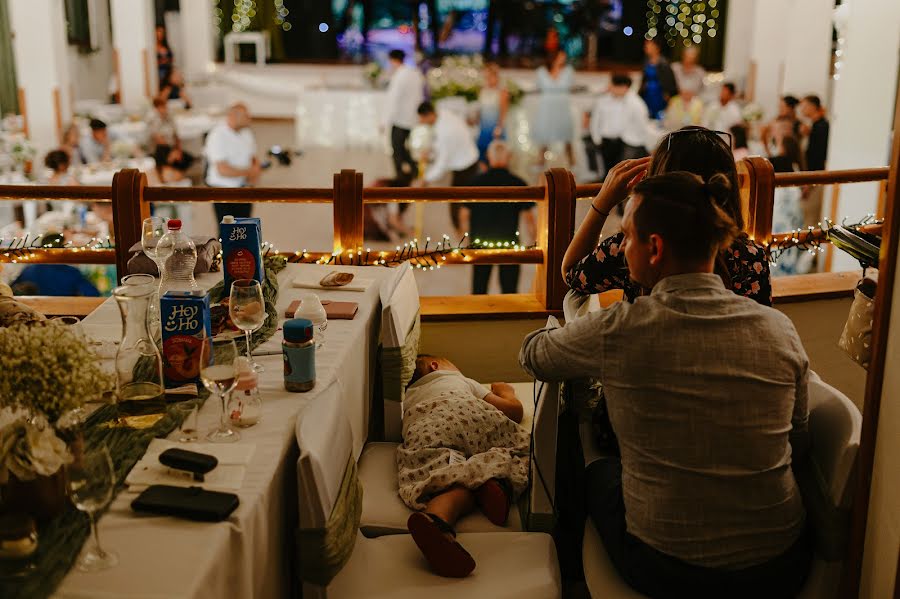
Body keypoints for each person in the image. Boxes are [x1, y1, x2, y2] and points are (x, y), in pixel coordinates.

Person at [520, 171, 812, 598]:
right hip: (781, 563)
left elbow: (533, 356)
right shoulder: (779, 328)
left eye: (626, 237)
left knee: (595, 468)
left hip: (669, 566)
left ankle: (570, 581)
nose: (620, 248)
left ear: (654, 248)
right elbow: (798, 437)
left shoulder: (623, 328)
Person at [563, 126, 772, 307]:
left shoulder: (637, 247)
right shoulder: (751, 256)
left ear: (660, 182)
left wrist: (603, 203)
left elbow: (573, 274)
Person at [400, 355, 529, 578]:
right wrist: (506, 391)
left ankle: (437, 519)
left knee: (445, 478)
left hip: (427, 426)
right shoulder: (459, 381)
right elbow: (513, 411)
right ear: (435, 366)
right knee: (519, 450)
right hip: (469, 415)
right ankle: (495, 481)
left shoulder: (407, 397)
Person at [459, 141, 536, 294]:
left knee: (479, 288)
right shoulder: (518, 183)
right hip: (509, 242)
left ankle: (479, 314)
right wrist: (532, 241)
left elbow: (464, 214)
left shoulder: (476, 182)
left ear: (489, 156)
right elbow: (529, 218)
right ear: (509, 157)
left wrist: (465, 238)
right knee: (509, 289)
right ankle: (508, 315)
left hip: (480, 242)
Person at [416, 101, 480, 230]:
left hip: (465, 166)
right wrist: (430, 153)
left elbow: (442, 164)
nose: (421, 122)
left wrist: (426, 179)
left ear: (429, 115)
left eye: (422, 118)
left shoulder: (445, 132)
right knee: (464, 203)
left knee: (457, 205)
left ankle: (462, 235)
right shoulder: (444, 114)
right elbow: (438, 145)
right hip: (468, 158)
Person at [588, 74, 650, 181]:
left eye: (612, 85)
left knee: (619, 171)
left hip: (622, 141)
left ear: (622, 87)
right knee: (606, 171)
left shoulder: (631, 102)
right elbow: (595, 122)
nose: (609, 87)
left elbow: (641, 124)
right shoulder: (602, 101)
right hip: (605, 141)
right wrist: (596, 139)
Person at [204, 103, 260, 221]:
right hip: (223, 189)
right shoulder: (217, 135)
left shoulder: (246, 133)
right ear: (233, 116)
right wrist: (249, 172)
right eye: (245, 116)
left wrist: (253, 176)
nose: (249, 118)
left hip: (244, 188)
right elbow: (222, 170)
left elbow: (253, 158)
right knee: (227, 230)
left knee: (245, 226)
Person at [769, 134, 811, 276]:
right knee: (789, 245)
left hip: (782, 210)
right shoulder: (797, 165)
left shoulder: (780, 161)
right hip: (792, 212)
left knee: (779, 245)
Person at [383, 49, 425, 185]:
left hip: (400, 118)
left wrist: (385, 120)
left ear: (393, 60)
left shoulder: (400, 76)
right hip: (411, 118)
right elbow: (420, 96)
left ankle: (400, 177)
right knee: (403, 147)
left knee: (396, 149)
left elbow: (393, 100)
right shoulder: (415, 73)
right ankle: (414, 170)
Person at [533, 50, 575, 166]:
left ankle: (572, 161)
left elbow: (571, 86)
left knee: (566, 134)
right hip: (547, 106)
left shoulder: (568, 71)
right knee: (544, 133)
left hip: (562, 106)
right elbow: (538, 87)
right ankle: (541, 161)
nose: (563, 60)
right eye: (561, 57)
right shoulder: (541, 71)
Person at [799, 95, 830, 226]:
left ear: (813, 106)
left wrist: (808, 180)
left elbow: (816, 156)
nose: (802, 110)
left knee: (810, 216)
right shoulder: (815, 126)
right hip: (812, 176)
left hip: (815, 177)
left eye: (805, 106)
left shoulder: (821, 127)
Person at [147, 97, 194, 173]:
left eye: (165, 106)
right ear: (156, 108)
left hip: (172, 147)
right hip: (160, 149)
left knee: (188, 158)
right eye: (162, 107)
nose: (165, 109)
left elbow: (176, 135)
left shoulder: (169, 117)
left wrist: (178, 149)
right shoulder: (152, 120)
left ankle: (176, 176)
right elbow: (158, 139)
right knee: (171, 159)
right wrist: (172, 152)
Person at [475, 63, 510, 164]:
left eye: (490, 77)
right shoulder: (482, 90)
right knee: (482, 151)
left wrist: (499, 127)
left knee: (496, 152)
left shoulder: (502, 92)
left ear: (496, 77)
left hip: (495, 127)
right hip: (483, 126)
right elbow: (481, 109)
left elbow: (504, 111)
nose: (488, 80)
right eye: (486, 77)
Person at [638, 38, 677, 120]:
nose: (646, 48)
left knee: (660, 116)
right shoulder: (646, 61)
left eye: (648, 46)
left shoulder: (664, 63)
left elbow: (669, 82)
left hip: (659, 94)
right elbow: (644, 78)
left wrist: (668, 95)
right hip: (647, 93)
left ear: (656, 47)